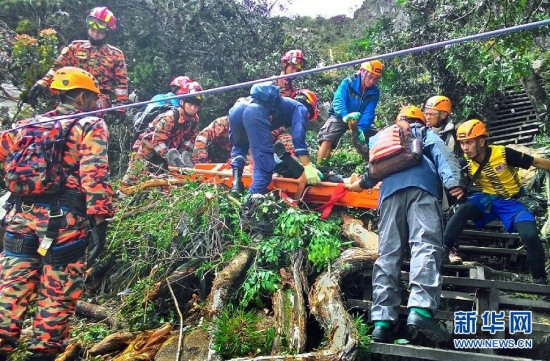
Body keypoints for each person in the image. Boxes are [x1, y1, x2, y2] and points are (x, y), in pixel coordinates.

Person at [0, 67, 114, 361]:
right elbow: (94, 174)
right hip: (64, 225)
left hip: (20, 219)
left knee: (10, 291)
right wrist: (100, 221)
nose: (94, 103)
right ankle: (43, 354)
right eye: (92, 97)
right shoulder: (90, 125)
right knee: (57, 294)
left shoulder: (25, 126)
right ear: (81, 95)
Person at [346, 105, 465, 343]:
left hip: (389, 193)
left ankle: (381, 322)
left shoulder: (384, 139)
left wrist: (355, 186)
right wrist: (454, 182)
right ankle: (420, 310)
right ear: (420, 121)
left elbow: (372, 172)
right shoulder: (422, 131)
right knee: (425, 244)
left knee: (388, 254)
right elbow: (440, 152)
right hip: (422, 188)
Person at [443, 119, 550, 284]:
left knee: (530, 236)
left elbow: (535, 162)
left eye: (469, 142)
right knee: (464, 209)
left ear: (481, 141)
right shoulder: (465, 163)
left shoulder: (503, 153)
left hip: (514, 202)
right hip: (488, 200)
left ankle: (539, 280)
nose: (465, 147)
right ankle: (443, 250)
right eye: (462, 143)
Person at [26, 7, 128, 114]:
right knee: (61, 114)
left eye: (100, 32)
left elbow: (121, 84)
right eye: (92, 30)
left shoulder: (116, 55)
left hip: (99, 96)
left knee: (90, 112)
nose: (95, 34)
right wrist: (42, 83)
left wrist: (121, 105)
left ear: (107, 32)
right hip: (73, 92)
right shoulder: (75, 47)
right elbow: (57, 68)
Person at [229, 83, 321, 196]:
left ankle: (236, 185)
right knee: (264, 169)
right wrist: (308, 166)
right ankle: (248, 207)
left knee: (240, 146)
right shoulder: (300, 108)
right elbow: (298, 137)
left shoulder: (281, 104)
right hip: (254, 112)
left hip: (237, 108)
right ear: (311, 107)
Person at [192, 89, 319, 164]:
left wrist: (302, 160)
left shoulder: (275, 125)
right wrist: (202, 162)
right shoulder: (224, 123)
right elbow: (202, 137)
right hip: (223, 157)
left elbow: (283, 140)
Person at [122, 80, 203, 185]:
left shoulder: (194, 120)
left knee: (168, 181)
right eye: (190, 104)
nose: (193, 109)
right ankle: (121, 194)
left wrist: (184, 153)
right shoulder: (170, 117)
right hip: (147, 147)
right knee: (133, 176)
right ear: (182, 102)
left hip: (169, 149)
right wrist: (170, 157)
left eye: (196, 106)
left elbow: (191, 139)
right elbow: (157, 140)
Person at [317, 60, 383, 164]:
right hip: (341, 116)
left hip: (359, 119)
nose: (372, 81)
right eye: (370, 77)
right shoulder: (348, 82)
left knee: (377, 139)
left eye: (376, 79)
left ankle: (374, 166)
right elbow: (338, 100)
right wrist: (344, 115)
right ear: (362, 71)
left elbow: (369, 112)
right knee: (327, 137)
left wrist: (361, 128)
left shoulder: (374, 92)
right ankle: (322, 167)